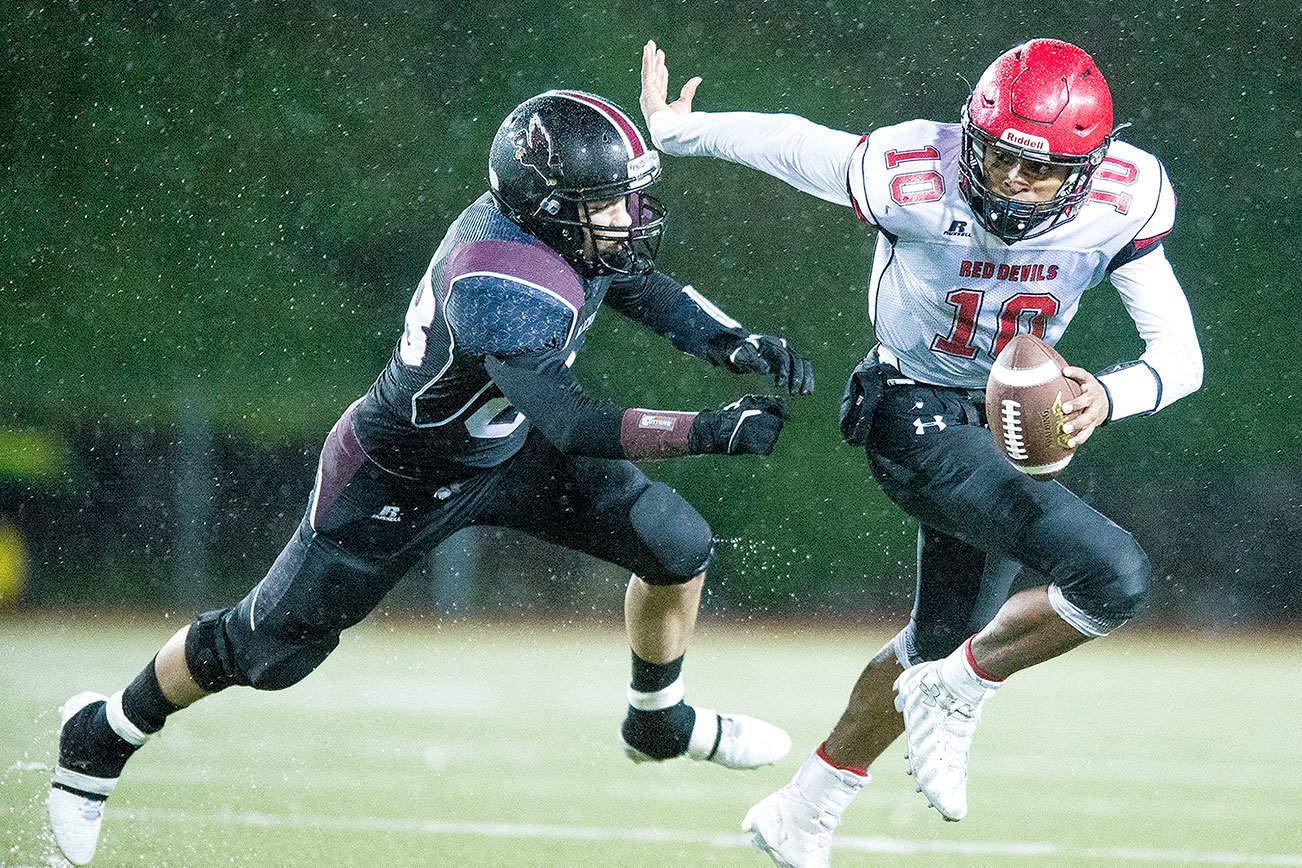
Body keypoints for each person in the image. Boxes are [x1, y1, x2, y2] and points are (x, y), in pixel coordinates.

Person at [47, 89, 813, 865]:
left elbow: (639, 286)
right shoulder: (497, 278)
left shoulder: (562, 235)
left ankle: (658, 721)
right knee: (265, 650)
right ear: (547, 207)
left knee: (675, 545)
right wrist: (709, 430)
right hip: (398, 476)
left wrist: (732, 342)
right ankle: (102, 735)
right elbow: (576, 421)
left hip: (508, 449)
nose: (628, 213)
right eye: (608, 200)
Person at [639, 37, 1202, 866]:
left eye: (1038, 170)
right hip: (910, 411)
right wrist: (677, 131)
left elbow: (1180, 357)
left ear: (1088, 170)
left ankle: (805, 808)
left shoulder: (1126, 200)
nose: (1013, 180)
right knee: (1111, 575)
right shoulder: (912, 168)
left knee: (935, 642)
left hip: (1003, 425)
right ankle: (964, 688)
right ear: (971, 134)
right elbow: (797, 145)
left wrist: (1108, 395)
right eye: (1000, 155)